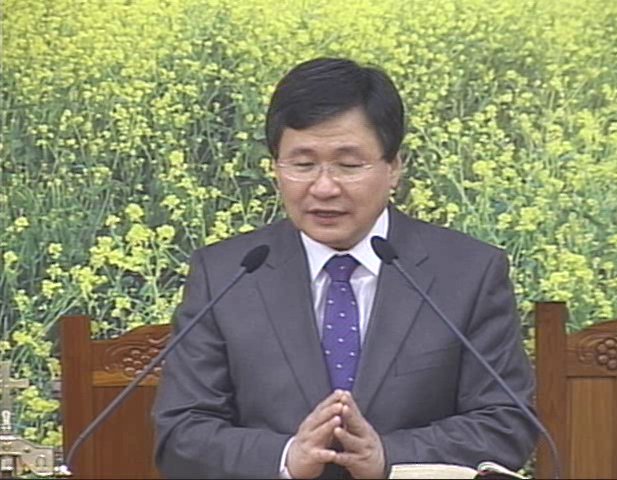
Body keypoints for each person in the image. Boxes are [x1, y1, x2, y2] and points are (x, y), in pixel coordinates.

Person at [152, 57, 537, 479]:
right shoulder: (226, 274)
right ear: (275, 167)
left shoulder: (468, 273)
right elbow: (182, 433)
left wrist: (388, 457)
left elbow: (505, 424)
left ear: (394, 167)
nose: (323, 187)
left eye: (349, 165)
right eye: (302, 165)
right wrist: (286, 457)